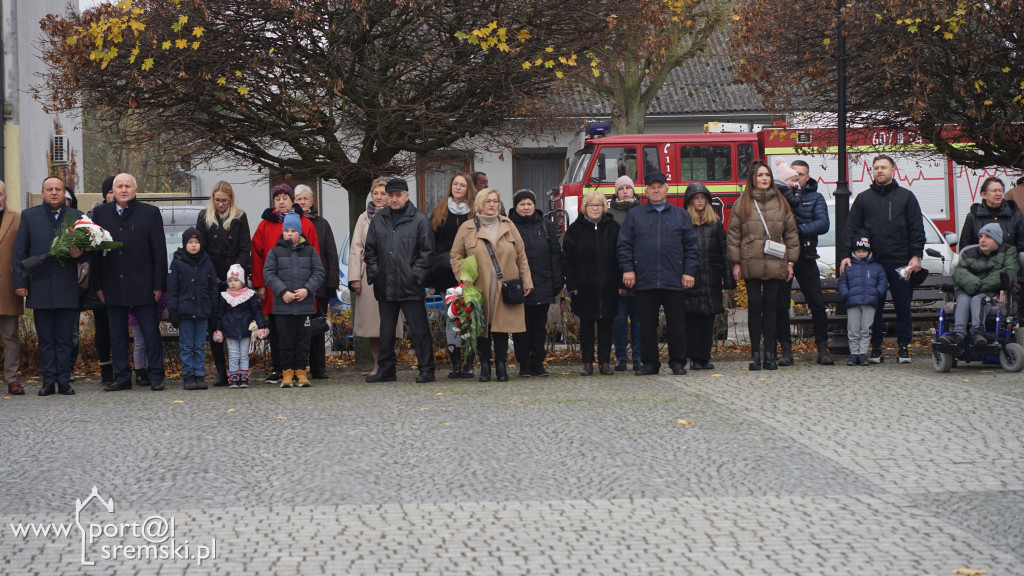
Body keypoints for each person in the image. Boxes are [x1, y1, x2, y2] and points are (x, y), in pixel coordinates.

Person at [840, 154, 925, 364]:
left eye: (883, 167)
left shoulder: (906, 197)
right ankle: (875, 348)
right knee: (873, 307)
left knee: (903, 306)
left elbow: (917, 229)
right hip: (872, 263)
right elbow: (850, 229)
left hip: (901, 262)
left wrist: (916, 256)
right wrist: (844, 255)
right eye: (876, 167)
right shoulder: (863, 198)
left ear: (893, 170)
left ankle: (903, 348)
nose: (879, 171)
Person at [617, 171, 698, 376]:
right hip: (645, 280)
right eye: (652, 187)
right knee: (646, 325)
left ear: (666, 189)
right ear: (646, 191)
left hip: (674, 279)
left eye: (659, 186)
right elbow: (624, 245)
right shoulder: (635, 215)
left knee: (677, 325)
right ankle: (650, 363)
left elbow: (691, 247)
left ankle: (678, 362)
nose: (656, 190)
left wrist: (689, 272)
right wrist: (628, 269)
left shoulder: (681, 215)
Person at [91, 173, 168, 391]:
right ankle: (122, 377)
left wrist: (159, 283)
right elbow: (95, 252)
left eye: (128, 186)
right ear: (112, 191)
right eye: (119, 186)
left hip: (144, 283)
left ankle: (155, 376)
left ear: (135, 190)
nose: (123, 190)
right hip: (112, 283)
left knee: (150, 333)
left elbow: (159, 251)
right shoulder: (100, 213)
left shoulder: (150, 213)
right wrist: (98, 285)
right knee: (116, 334)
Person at [450, 188, 533, 382]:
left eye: (495, 201)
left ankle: (501, 366)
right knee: (482, 327)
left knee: (502, 328)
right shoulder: (467, 227)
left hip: (506, 285)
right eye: (488, 201)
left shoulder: (508, 225)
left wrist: (526, 280)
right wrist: (463, 276)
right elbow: (455, 255)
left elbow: (521, 256)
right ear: (479, 204)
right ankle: (485, 366)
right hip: (479, 286)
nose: (492, 204)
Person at [13, 176, 85, 395]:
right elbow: (19, 253)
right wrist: (20, 282)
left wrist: (80, 255)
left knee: (64, 339)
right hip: (40, 286)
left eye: (58, 189)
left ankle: (63, 380)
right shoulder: (29, 216)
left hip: (67, 287)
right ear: (43, 193)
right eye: (49, 189)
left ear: (65, 194)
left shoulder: (77, 217)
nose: (54, 193)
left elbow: (89, 254)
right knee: (45, 339)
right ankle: (47, 380)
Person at [727, 161, 800, 371]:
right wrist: (736, 263)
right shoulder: (743, 203)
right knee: (755, 307)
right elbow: (733, 235)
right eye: (760, 175)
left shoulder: (782, 203)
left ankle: (769, 353)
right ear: (753, 178)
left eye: (767, 175)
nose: (764, 178)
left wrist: (790, 262)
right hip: (750, 261)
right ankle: (755, 354)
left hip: (775, 261)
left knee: (771, 307)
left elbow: (791, 234)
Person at [363, 178, 436, 383]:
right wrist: (376, 273)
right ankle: (386, 370)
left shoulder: (420, 220)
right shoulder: (379, 220)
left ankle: (426, 369)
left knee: (419, 329)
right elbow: (370, 251)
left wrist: (415, 276)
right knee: (386, 330)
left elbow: (427, 252)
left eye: (398, 195)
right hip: (385, 283)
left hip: (410, 284)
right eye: (390, 195)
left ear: (406, 195)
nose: (394, 199)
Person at [250, 182, 319, 384]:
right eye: (277, 199)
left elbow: (315, 257)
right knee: (279, 330)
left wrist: (310, 287)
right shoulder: (265, 225)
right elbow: (257, 256)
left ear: (292, 200)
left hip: (301, 290)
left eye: (285, 198)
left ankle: (300, 369)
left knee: (302, 333)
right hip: (276, 290)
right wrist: (260, 284)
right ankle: (279, 368)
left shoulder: (305, 224)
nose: (281, 202)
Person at [775, 159, 833, 366]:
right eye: (794, 173)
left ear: (807, 177)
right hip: (782, 256)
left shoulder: (816, 197)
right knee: (781, 304)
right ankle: (786, 351)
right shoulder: (779, 195)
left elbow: (823, 224)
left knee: (816, 303)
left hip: (806, 255)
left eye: (801, 174)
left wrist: (798, 231)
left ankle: (823, 349)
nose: (797, 177)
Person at [195, 181, 251, 387]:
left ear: (231, 200)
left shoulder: (239, 216)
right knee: (215, 325)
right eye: (217, 200)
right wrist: (212, 275)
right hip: (213, 274)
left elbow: (246, 247)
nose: (220, 204)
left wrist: (236, 275)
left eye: (224, 201)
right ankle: (220, 369)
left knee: (237, 324)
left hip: (234, 273)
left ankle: (238, 369)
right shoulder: (204, 216)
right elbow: (201, 247)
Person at [264, 211, 325, 387]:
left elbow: (318, 272)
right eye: (287, 230)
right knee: (285, 340)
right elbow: (269, 274)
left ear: (300, 232)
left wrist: (307, 289)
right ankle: (287, 373)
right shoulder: (274, 252)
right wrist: (283, 292)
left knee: (303, 341)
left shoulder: (310, 251)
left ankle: (301, 371)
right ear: (283, 232)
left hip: (304, 306)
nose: (290, 234)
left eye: (293, 230)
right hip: (283, 306)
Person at [563, 191, 619, 375]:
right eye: (591, 205)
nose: (595, 209)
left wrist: (620, 283)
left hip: (608, 286)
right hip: (584, 287)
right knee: (586, 326)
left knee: (606, 326)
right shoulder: (575, 229)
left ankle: (604, 362)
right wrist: (573, 285)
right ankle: (587, 362)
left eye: (598, 205)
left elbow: (620, 256)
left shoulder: (613, 228)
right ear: (584, 208)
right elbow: (568, 260)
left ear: (604, 208)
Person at [350, 178, 402, 377]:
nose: (379, 197)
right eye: (376, 193)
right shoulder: (363, 218)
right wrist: (355, 277)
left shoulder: (397, 216)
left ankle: (389, 360)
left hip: (392, 274)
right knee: (372, 324)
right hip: (369, 276)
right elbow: (356, 248)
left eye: (383, 193)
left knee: (389, 322)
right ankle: (378, 362)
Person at [429, 172, 477, 378]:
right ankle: (455, 363)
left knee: (469, 317)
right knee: (451, 317)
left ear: (469, 189)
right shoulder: (439, 211)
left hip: (470, 271)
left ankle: (469, 363)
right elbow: (431, 241)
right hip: (445, 272)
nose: (458, 188)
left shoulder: (475, 212)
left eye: (462, 185)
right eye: (455, 184)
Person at [941, 223, 1019, 351]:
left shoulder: (1008, 251)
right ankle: (958, 336)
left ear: (997, 240)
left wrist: (980, 286)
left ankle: (977, 332)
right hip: (968, 290)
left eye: (988, 237)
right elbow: (959, 272)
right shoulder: (969, 253)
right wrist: (974, 285)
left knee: (978, 299)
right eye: (981, 236)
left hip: (990, 293)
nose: (982, 240)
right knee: (963, 300)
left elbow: (1009, 272)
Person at [510, 189, 562, 377]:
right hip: (518, 286)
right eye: (522, 204)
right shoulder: (509, 226)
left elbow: (555, 255)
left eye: (529, 204)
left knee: (539, 327)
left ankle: (538, 363)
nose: (526, 207)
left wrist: (557, 281)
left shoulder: (547, 226)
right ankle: (524, 364)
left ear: (535, 205)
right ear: (515, 206)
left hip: (543, 283)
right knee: (520, 328)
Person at [683, 182, 731, 371]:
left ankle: (705, 357)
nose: (700, 201)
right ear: (690, 201)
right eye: (696, 198)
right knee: (693, 320)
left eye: (703, 198)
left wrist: (727, 279)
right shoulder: (685, 222)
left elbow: (724, 250)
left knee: (708, 320)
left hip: (711, 276)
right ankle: (695, 357)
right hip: (692, 277)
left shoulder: (715, 222)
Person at [294, 184, 339, 379]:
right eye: (298, 199)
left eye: (305, 199)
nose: (302, 202)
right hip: (295, 287)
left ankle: (319, 368)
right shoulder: (290, 224)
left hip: (319, 287)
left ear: (312, 201)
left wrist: (331, 284)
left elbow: (331, 255)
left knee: (317, 328)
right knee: (298, 330)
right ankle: (298, 368)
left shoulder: (322, 224)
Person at [167, 227, 219, 390]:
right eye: (190, 242)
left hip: (203, 311)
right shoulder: (177, 262)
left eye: (197, 242)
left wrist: (214, 310)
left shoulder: (207, 262)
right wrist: (173, 310)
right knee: (187, 345)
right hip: (185, 311)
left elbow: (212, 288)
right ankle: (188, 374)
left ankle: (199, 374)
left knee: (199, 346)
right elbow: (172, 288)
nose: (194, 245)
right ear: (184, 244)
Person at [81, 176, 116, 385]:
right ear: (105, 195)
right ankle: (105, 369)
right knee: (103, 328)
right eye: (110, 191)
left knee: (122, 327)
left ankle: (129, 366)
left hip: (124, 281)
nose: (114, 194)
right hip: (101, 282)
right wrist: (97, 285)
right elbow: (91, 256)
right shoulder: (94, 219)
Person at [607, 175, 642, 371]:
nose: (625, 191)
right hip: (617, 275)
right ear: (616, 192)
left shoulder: (643, 212)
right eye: (622, 188)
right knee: (619, 320)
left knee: (639, 320)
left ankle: (638, 357)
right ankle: (621, 356)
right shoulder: (609, 214)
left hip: (641, 274)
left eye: (629, 187)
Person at [837, 232, 888, 366]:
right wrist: (846, 294)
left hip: (870, 302)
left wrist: (877, 293)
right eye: (858, 251)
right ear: (854, 251)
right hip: (853, 302)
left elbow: (882, 281)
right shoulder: (848, 266)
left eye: (863, 251)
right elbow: (842, 282)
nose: (861, 254)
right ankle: (854, 354)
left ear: (868, 251)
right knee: (853, 330)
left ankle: (863, 354)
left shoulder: (876, 267)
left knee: (866, 329)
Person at [214, 264, 269, 388]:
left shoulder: (249, 295)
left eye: (236, 280)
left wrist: (261, 326)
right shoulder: (225, 296)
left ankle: (244, 376)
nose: (233, 283)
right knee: (233, 354)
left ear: (242, 281)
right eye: (230, 281)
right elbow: (220, 314)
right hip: (229, 329)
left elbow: (257, 312)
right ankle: (233, 376)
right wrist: (218, 329)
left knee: (244, 354)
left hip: (245, 329)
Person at [0, 180, 24, 395]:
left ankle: (12, 378)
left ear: (5, 196)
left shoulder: (17, 217)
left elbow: (22, 251)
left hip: (7, 286)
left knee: (10, 336)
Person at [958, 177, 1024, 253]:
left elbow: (1021, 245)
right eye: (994, 191)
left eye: (1000, 190)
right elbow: (965, 247)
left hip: (1008, 262)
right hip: (979, 262)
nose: (998, 194)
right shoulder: (973, 217)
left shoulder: (1015, 215)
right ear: (983, 194)